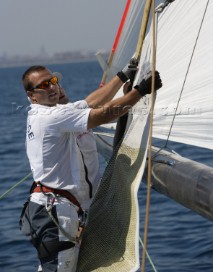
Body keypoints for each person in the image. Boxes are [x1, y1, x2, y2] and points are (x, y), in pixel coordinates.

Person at [20, 63, 162, 272]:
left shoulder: (53, 111)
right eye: (44, 85)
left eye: (53, 81)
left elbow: (91, 102)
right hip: (56, 210)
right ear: (32, 96)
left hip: (53, 208)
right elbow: (102, 115)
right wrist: (140, 91)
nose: (52, 87)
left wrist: (122, 76)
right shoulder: (50, 117)